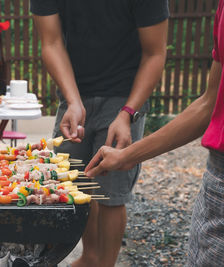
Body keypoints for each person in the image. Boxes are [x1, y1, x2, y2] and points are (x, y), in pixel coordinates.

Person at [31, 1, 169, 266]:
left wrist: (127, 113)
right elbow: (51, 42)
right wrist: (72, 101)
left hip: (124, 97)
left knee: (110, 194)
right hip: (74, 94)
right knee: (76, 184)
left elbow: (155, 54)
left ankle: (106, 263)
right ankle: (90, 256)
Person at [85, 1, 224, 265]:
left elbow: (154, 54)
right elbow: (209, 102)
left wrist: (126, 113)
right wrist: (128, 156)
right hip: (217, 178)